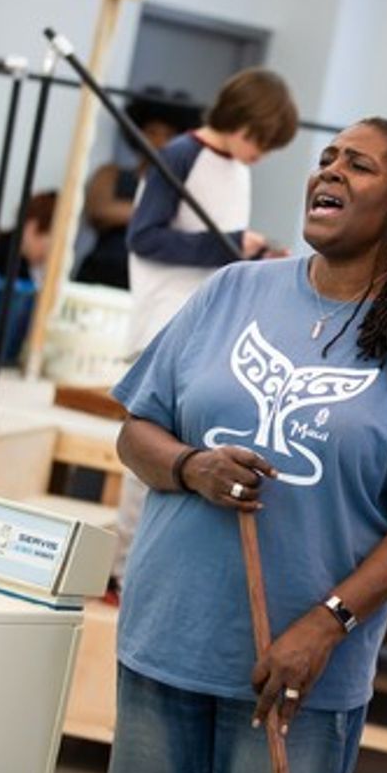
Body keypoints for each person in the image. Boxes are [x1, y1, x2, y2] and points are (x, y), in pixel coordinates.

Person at [104, 118, 387, 773]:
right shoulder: (233, 289)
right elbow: (136, 431)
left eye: (359, 165)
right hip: (167, 638)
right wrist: (193, 467)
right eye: (328, 157)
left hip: (299, 671)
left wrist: (327, 624)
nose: (331, 170)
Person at [111, 68, 299, 591]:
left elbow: (222, 254)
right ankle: (121, 571)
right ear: (243, 121)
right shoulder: (180, 157)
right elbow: (144, 238)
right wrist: (229, 244)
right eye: (261, 141)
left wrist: (253, 256)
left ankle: (145, 570)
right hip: (163, 320)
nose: (261, 154)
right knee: (150, 448)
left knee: (189, 450)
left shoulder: (237, 167)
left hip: (206, 325)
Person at [74, 89, 201, 289]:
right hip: (99, 274)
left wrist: (128, 213)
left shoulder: (183, 189)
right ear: (137, 133)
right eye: (152, 132)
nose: (159, 142)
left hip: (147, 285)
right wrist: (158, 216)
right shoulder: (110, 173)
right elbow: (99, 211)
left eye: (168, 135)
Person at [0, 189, 57, 286]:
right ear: (32, 227)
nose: (52, 251)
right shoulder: (4, 260)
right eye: (51, 239)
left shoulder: (30, 265)